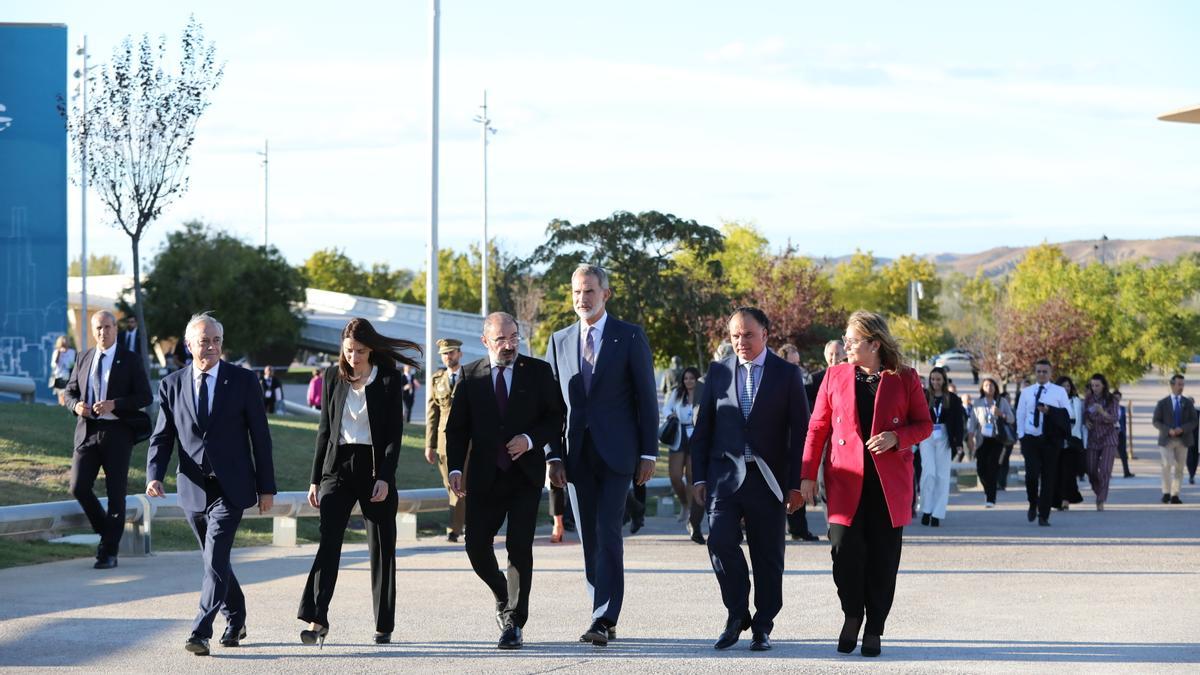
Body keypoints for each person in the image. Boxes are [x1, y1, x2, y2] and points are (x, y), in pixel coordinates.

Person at [798, 310, 931, 658]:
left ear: (874, 343)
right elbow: (817, 428)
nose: (846, 345)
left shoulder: (905, 378)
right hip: (845, 481)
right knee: (843, 554)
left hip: (889, 486)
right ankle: (852, 615)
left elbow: (924, 425)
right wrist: (808, 475)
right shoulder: (834, 376)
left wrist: (895, 437)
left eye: (852, 340)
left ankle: (874, 628)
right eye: (845, 339)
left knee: (884, 560)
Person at [146, 312, 276, 656]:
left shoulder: (244, 381)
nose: (212, 346)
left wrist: (267, 488)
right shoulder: (171, 385)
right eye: (205, 341)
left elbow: (260, 438)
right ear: (189, 345)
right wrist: (154, 475)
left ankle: (200, 631)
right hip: (192, 487)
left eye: (217, 340)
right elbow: (162, 437)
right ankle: (237, 617)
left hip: (231, 487)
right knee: (213, 562)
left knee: (215, 558)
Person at [544, 264, 658, 647]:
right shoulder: (559, 340)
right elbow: (551, 408)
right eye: (576, 292)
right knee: (590, 537)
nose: (582, 299)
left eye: (589, 291)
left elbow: (646, 398)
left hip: (618, 454)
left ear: (605, 294)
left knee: (609, 530)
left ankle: (603, 615)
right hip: (576, 456)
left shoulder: (629, 337)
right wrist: (552, 456)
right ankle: (602, 613)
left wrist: (648, 452)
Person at [445, 312, 565, 650]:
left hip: (524, 478)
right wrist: (456, 468)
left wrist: (529, 439)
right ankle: (502, 592)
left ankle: (514, 621)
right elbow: (456, 429)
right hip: (484, 477)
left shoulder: (538, 372)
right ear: (486, 342)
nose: (509, 344)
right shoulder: (470, 376)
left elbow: (556, 416)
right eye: (501, 339)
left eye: (513, 337)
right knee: (475, 546)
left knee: (519, 548)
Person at [691, 307, 809, 652]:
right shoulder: (717, 373)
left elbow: (800, 431)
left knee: (767, 555)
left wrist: (796, 482)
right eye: (735, 336)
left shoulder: (787, 374)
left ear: (765, 335)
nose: (740, 342)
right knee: (720, 543)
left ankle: (763, 624)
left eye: (748, 335)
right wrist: (699, 477)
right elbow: (703, 430)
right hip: (724, 477)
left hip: (768, 479)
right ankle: (736, 612)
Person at [297, 318, 417, 646]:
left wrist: (385, 478)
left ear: (372, 349)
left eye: (360, 351)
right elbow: (324, 430)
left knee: (381, 547)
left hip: (374, 468)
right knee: (329, 540)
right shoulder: (332, 377)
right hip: (337, 468)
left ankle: (383, 623)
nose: (354, 356)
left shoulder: (389, 379)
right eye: (348, 350)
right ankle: (317, 618)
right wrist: (314, 480)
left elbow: (394, 435)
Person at [61, 310, 152, 569]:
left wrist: (115, 404)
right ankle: (109, 533)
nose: (103, 332)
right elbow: (69, 391)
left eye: (108, 327)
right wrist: (76, 405)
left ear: (116, 329)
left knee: (116, 494)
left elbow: (145, 396)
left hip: (117, 434)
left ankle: (108, 552)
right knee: (78, 487)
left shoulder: (130, 360)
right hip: (88, 432)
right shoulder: (83, 357)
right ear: (93, 330)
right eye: (99, 328)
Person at [1015, 359, 1073, 526]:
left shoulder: (1059, 391)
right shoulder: (1027, 392)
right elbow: (1020, 414)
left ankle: (1044, 514)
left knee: (1048, 477)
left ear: (1050, 373)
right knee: (1031, 475)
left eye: (1044, 372)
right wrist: (1021, 435)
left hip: (1051, 439)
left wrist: (1050, 411)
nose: (1041, 374)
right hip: (1030, 438)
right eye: (1038, 371)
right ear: (1035, 372)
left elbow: (1067, 415)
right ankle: (1033, 502)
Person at [425, 338, 467, 542]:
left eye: (451, 352)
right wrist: (429, 445)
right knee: (449, 485)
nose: (448, 356)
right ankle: (462, 523)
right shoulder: (437, 379)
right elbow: (432, 414)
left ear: (460, 354)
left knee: (459, 485)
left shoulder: (470, 377)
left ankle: (455, 529)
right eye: (444, 353)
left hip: (466, 441)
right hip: (443, 441)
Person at [662, 366, 705, 544]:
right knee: (675, 475)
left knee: (691, 476)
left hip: (695, 436)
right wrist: (670, 415)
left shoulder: (701, 393)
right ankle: (684, 503)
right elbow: (666, 409)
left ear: (696, 379)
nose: (688, 381)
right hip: (679, 435)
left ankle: (691, 516)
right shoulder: (676, 394)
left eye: (692, 378)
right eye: (686, 378)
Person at [917, 367, 962, 527]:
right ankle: (926, 509)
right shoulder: (923, 396)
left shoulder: (952, 399)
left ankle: (937, 513)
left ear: (944, 380)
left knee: (942, 476)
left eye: (938, 379)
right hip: (927, 435)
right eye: (933, 379)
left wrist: (959, 443)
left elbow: (958, 422)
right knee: (928, 473)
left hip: (944, 436)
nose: (935, 382)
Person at [1151, 375, 1197, 504]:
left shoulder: (1187, 403)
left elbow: (1194, 421)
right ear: (1172, 385)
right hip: (1167, 440)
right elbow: (1155, 421)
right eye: (1179, 384)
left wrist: (1182, 429)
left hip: (1183, 440)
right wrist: (1167, 430)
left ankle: (1175, 494)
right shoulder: (1162, 403)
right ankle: (1166, 492)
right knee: (1166, 464)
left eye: (1182, 384)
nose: (1181, 387)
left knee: (1179, 467)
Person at [967, 378, 1013, 508]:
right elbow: (973, 423)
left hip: (997, 439)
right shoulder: (978, 403)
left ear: (995, 387)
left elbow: (1011, 418)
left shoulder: (1002, 401)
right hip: (982, 439)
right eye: (986, 385)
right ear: (982, 388)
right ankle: (988, 490)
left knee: (993, 468)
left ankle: (991, 498)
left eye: (992, 385)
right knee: (981, 468)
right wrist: (970, 437)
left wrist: (1001, 414)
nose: (989, 388)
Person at [1083, 374, 1119, 511]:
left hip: (1109, 437)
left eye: (1097, 385)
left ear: (1103, 385)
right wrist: (1086, 421)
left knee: (1104, 470)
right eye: (1092, 385)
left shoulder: (1112, 399)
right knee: (1091, 469)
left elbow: (1115, 418)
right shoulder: (1088, 399)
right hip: (1093, 437)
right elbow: (1085, 414)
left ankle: (1101, 499)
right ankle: (1099, 491)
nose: (1095, 388)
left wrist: (1102, 412)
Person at [1054, 376, 1085, 510]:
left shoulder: (1076, 401)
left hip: (1073, 441)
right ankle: (1057, 499)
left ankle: (1066, 499)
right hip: (1057, 440)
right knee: (1057, 472)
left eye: (1068, 386)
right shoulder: (1053, 402)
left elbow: (1079, 421)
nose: (1066, 389)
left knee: (1069, 472)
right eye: (1063, 386)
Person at [1112, 390, 1134, 478]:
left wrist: (1124, 432)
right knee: (1110, 454)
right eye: (1115, 398)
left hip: (1121, 432)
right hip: (1111, 433)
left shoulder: (1122, 408)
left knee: (1123, 454)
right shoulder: (1109, 408)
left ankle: (1126, 472)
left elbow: (1124, 421)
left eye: (1118, 398)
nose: (1117, 399)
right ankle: (1108, 472)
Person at [50, 335, 76, 405]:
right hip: (59, 375)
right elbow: (53, 365)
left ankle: (65, 405)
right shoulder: (56, 352)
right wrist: (58, 355)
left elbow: (71, 364)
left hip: (68, 375)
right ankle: (61, 405)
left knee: (66, 392)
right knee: (60, 392)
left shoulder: (72, 352)